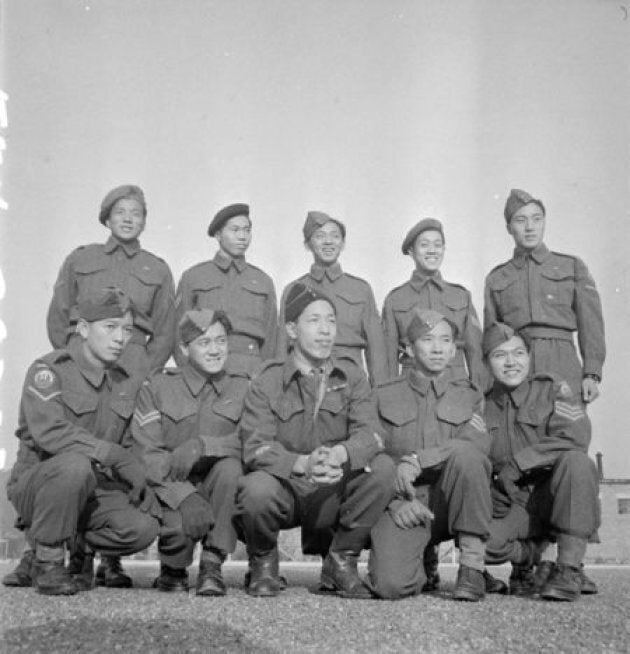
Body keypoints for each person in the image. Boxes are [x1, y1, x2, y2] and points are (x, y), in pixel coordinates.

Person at [235, 283, 394, 598]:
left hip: (332, 490)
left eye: (331, 321)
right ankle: (263, 561)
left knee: (383, 469)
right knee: (255, 490)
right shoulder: (267, 379)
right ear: (292, 330)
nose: (325, 331)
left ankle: (341, 560)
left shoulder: (352, 376)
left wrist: (340, 454)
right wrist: (301, 463)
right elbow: (256, 445)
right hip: (287, 490)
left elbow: (372, 434)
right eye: (314, 321)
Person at [4, 288, 159, 595]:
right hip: (39, 485)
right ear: (85, 328)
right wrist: (108, 452)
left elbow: (128, 444)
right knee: (74, 466)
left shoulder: (124, 381)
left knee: (142, 527)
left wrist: (138, 476)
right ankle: (46, 561)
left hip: (91, 488)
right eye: (110, 327)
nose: (120, 338)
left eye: (127, 330)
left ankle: (78, 547)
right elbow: (49, 432)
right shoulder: (49, 370)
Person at [367, 308, 492, 602]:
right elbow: (371, 455)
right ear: (409, 348)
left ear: (453, 350)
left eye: (445, 341)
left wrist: (418, 459)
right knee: (390, 586)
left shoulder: (470, 395)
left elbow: (476, 445)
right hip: (407, 502)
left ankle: (472, 568)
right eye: (427, 340)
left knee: (467, 455)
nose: (437, 348)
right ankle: (423, 560)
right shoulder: (382, 394)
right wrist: (395, 503)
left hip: (453, 501)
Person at [132, 309, 248, 595]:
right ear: (184, 349)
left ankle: (212, 564)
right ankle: (173, 567)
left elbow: (251, 442)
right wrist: (184, 496)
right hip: (170, 487)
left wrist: (204, 445)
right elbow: (148, 454)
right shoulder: (157, 386)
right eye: (204, 343)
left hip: (219, 488)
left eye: (220, 341)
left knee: (231, 468)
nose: (215, 350)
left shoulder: (243, 387)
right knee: (177, 532)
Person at [482, 323, 600, 601]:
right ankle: (532, 559)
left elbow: (575, 437)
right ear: (487, 363)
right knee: (479, 541)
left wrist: (519, 464)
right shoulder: (483, 405)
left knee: (577, 462)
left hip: (554, 495)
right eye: (500, 356)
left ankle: (568, 567)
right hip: (516, 502)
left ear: (529, 356)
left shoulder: (553, 389)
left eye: (519, 353)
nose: (511, 363)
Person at [484, 188, 605, 403]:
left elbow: (591, 324)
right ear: (509, 228)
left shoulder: (571, 266)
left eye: (536, 219)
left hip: (562, 361)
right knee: (520, 430)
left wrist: (591, 373)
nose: (530, 227)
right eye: (521, 220)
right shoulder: (497, 278)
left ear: (544, 222)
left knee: (568, 428)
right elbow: (492, 336)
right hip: (518, 365)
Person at [46, 184, 176, 382]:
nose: (127, 219)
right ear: (107, 219)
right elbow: (58, 315)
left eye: (136, 214)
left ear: (143, 222)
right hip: (81, 357)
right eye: (120, 212)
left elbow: (165, 332)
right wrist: (70, 358)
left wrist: (144, 370)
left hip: (132, 364)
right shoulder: (81, 258)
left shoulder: (158, 269)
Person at [276, 211, 387, 386]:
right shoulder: (294, 289)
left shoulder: (361, 289)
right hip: (305, 380)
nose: (328, 242)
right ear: (308, 244)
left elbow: (377, 351)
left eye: (335, 236)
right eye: (320, 236)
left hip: (351, 381)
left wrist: (381, 394)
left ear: (342, 243)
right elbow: (282, 347)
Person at [175, 203, 277, 377]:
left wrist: (263, 379)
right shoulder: (194, 276)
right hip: (204, 369)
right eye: (235, 230)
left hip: (250, 371)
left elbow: (272, 338)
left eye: (247, 230)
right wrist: (190, 375)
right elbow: (178, 334)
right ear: (218, 234)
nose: (242, 236)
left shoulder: (263, 281)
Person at [381, 218, 484, 387]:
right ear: (411, 251)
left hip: (455, 383)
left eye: (437, 245)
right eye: (424, 245)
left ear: (444, 249)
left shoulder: (461, 295)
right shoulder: (396, 299)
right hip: (411, 384)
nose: (432, 251)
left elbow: (476, 351)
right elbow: (388, 356)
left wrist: (478, 395)